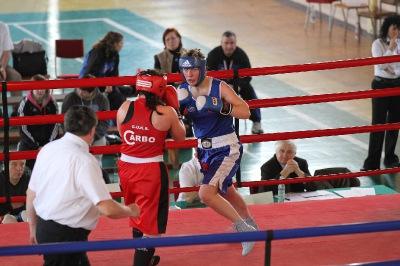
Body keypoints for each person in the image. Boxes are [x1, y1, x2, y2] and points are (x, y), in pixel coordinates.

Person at [26, 105, 140, 266]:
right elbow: (107, 208)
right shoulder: (85, 161)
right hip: (66, 236)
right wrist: (131, 210)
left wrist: (33, 228)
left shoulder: (47, 150)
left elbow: (31, 194)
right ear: (93, 131)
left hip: (46, 228)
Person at [177, 48, 258, 256]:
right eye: (186, 70)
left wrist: (223, 107)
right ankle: (252, 226)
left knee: (206, 193)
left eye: (194, 69)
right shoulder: (182, 91)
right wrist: (179, 112)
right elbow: (178, 127)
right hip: (204, 151)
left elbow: (246, 111)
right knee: (228, 191)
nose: (189, 74)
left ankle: (244, 231)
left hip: (226, 147)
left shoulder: (218, 86)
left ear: (202, 68)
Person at [117, 69, 186, 266]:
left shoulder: (124, 106)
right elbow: (181, 137)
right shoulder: (166, 112)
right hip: (149, 171)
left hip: (126, 168)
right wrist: (176, 110)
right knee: (152, 227)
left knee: (138, 214)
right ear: (160, 88)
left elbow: (124, 134)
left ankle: (144, 260)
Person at [361, 14, 400, 171]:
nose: (396, 31)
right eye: (393, 28)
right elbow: (381, 65)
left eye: (398, 28)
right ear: (386, 28)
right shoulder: (378, 44)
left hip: (397, 85)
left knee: (394, 124)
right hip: (381, 85)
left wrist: (390, 67)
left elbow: (395, 69)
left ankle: (390, 158)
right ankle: (372, 163)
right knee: (378, 124)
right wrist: (390, 50)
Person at [207, 31, 263, 134]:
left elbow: (248, 74)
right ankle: (214, 125)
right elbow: (209, 76)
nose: (229, 46)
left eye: (232, 43)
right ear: (221, 43)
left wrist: (239, 86)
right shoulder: (213, 55)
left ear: (235, 43)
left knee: (250, 92)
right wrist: (224, 88)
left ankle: (256, 121)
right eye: (226, 43)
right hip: (220, 87)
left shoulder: (241, 55)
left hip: (237, 85)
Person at [154, 27, 191, 168]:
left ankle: (184, 126)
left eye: (173, 38)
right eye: (167, 39)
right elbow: (158, 78)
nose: (171, 41)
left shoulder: (188, 55)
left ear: (179, 39)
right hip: (166, 94)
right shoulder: (159, 57)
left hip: (185, 93)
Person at [61, 73, 110, 165]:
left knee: (97, 156)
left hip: (94, 135)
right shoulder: (70, 98)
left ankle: (96, 172)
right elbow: (64, 120)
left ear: (92, 91)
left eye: (84, 92)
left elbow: (105, 123)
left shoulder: (103, 100)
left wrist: (92, 137)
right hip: (75, 135)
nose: (80, 93)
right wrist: (76, 137)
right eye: (79, 89)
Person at [79, 31, 131, 115]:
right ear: (115, 43)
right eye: (121, 43)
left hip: (105, 85)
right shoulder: (97, 53)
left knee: (119, 94)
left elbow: (114, 76)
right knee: (113, 96)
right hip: (89, 85)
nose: (122, 46)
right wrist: (104, 85)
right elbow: (89, 74)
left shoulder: (115, 56)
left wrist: (109, 85)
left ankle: (114, 120)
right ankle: (107, 119)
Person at [17, 74, 59, 171]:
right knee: (22, 157)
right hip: (30, 142)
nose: (40, 91)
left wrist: (47, 145)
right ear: (32, 88)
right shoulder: (24, 104)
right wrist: (36, 146)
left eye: (42, 88)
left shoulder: (52, 103)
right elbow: (23, 129)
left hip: (48, 140)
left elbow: (55, 127)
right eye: (37, 88)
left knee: (56, 157)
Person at [0, 159, 29, 223]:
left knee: (26, 215)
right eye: (14, 164)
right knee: (8, 219)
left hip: (23, 217)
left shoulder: (29, 179)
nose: (19, 168)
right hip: (3, 219)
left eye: (22, 164)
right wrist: (12, 205)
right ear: (5, 166)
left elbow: (37, 206)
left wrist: (7, 208)